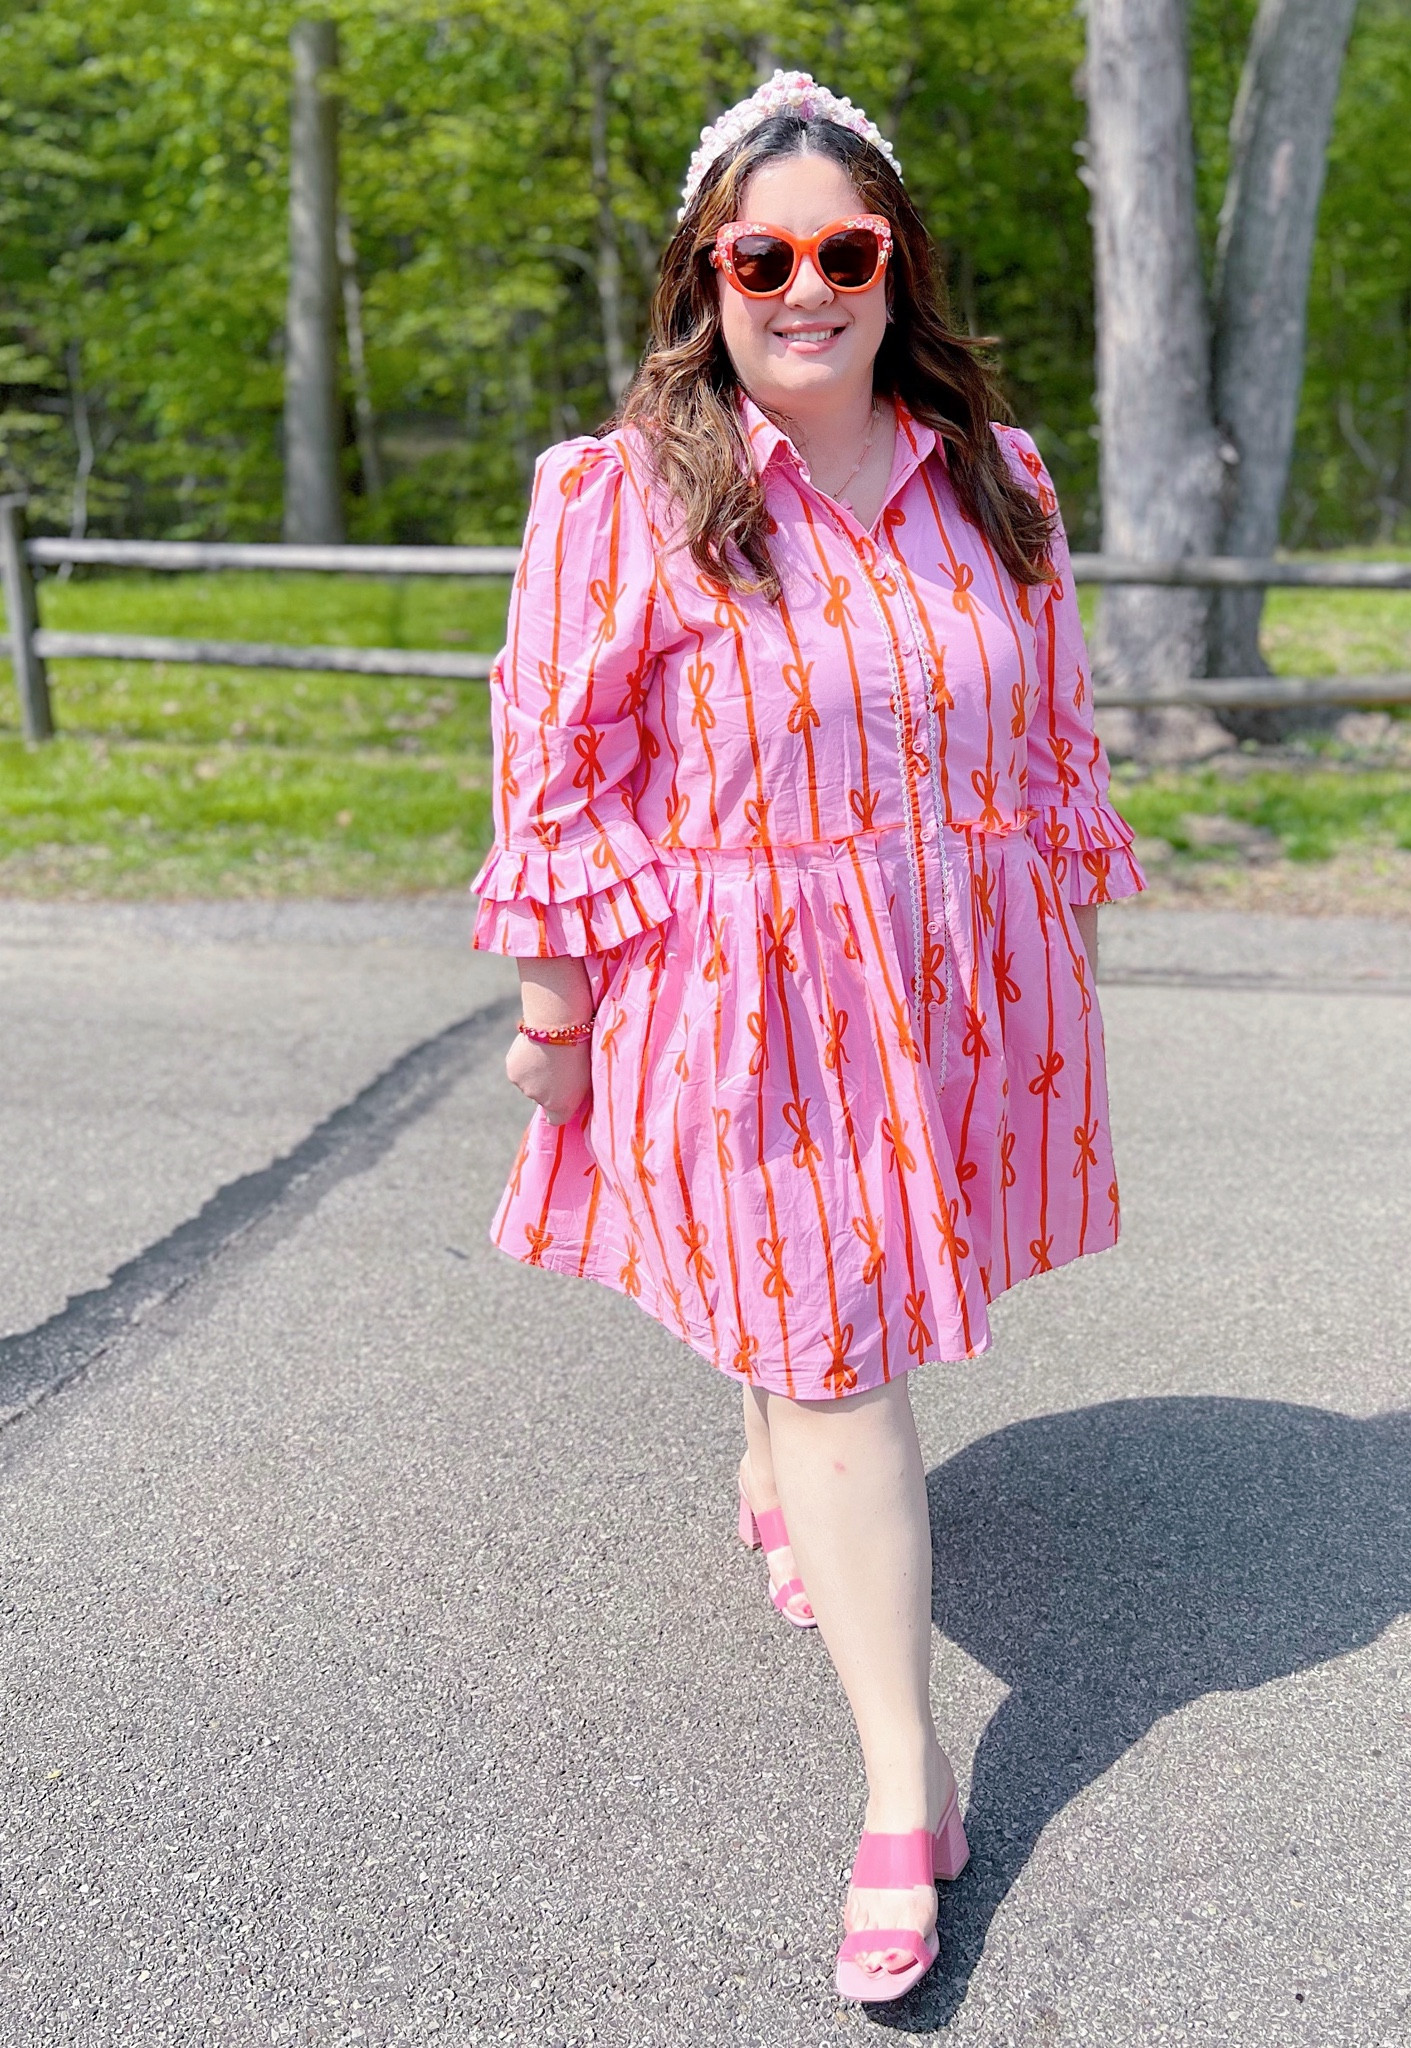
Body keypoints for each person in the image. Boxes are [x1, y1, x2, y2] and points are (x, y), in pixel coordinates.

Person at [471, 69, 1144, 2005]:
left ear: (894, 265)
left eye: (843, 251)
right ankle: (901, 1778)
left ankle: (775, 1481)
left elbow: (1054, 740)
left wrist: (1061, 975)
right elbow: (558, 763)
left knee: (807, 1324)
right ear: (706, 275)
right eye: (761, 255)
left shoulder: (1000, 477)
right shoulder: (616, 492)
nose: (806, 287)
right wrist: (555, 1003)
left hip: (951, 980)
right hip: (738, 987)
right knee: (837, 1346)